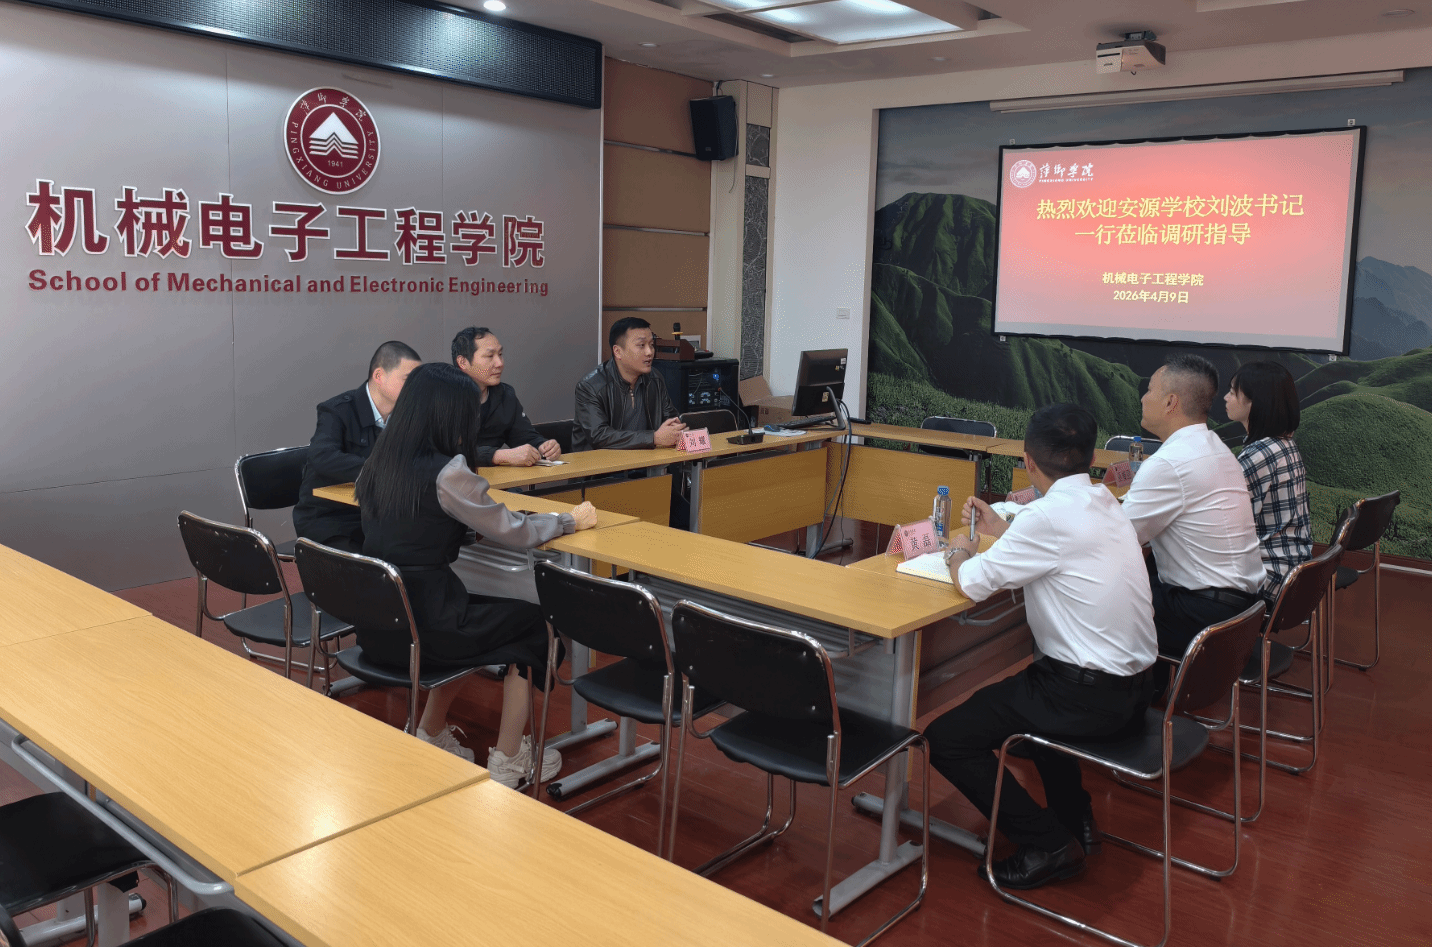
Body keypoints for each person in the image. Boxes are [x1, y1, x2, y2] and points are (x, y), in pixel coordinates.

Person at [925, 403, 1156, 890]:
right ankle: (1077, 820)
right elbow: (1060, 547)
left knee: (947, 738)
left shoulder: (1046, 517)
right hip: (1137, 690)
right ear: (1091, 458)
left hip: (1087, 698)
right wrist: (1002, 530)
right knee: (1032, 705)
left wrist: (959, 551)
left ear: (1027, 461)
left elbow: (971, 582)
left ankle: (1047, 844)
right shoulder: (1104, 500)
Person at [355, 362, 599, 785]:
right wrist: (567, 521)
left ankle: (430, 732)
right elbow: (515, 530)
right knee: (534, 628)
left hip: (382, 624)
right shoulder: (449, 473)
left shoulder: (377, 462)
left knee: (479, 627)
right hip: (429, 625)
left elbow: (412, 526)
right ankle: (510, 758)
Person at [1122, 354, 1265, 674]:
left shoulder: (1169, 462)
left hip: (1205, 616)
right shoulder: (1216, 448)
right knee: (1141, 572)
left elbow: (1116, 538)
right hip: (1243, 610)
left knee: (1090, 597)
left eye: (1149, 390)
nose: (1143, 398)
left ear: (1170, 402)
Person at [293, 341, 421, 552]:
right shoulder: (337, 411)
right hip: (331, 518)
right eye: (408, 380)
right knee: (372, 564)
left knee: (423, 547)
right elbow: (322, 456)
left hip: (377, 516)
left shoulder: (407, 416)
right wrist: (382, 470)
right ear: (379, 376)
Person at [1224, 361, 1312, 601]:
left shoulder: (1259, 455)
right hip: (1292, 568)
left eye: (1232, 392)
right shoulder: (1284, 444)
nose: (1226, 398)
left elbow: (1226, 523)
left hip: (1269, 576)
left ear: (1254, 402)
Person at [451, 326, 561, 467]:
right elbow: (443, 451)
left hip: (495, 477)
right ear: (463, 362)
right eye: (490, 356)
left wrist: (543, 447)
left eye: (500, 354)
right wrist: (496, 456)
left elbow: (524, 437)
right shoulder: (442, 398)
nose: (500, 363)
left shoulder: (505, 395)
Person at [572, 316, 686, 452]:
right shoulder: (590, 386)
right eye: (641, 345)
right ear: (618, 352)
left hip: (646, 462)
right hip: (600, 464)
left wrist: (675, 429)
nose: (649, 352)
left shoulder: (655, 378)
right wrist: (653, 438)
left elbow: (671, 418)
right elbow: (599, 436)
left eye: (651, 345)